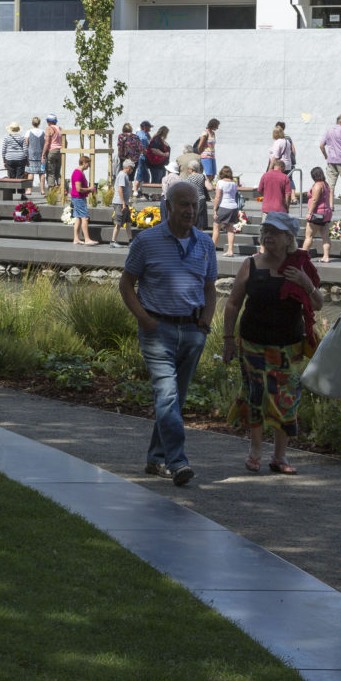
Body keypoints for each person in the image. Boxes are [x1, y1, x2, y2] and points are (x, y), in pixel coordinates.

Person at [119, 181, 218, 487]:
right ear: (169, 206)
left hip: (192, 330)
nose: (190, 211)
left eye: (195, 205)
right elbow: (126, 285)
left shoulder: (205, 244)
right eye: (184, 205)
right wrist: (145, 319)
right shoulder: (146, 241)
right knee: (167, 393)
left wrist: (205, 322)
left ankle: (155, 457)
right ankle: (177, 462)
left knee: (174, 399)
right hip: (157, 329)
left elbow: (210, 288)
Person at [222, 211, 321, 475]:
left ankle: (280, 456)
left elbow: (318, 304)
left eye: (274, 233)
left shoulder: (300, 266)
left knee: (286, 400)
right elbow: (233, 304)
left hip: (288, 348)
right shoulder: (251, 264)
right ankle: (255, 450)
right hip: (253, 344)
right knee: (256, 397)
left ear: (289, 238)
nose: (268, 237)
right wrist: (228, 339)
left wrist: (306, 284)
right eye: (265, 231)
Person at [302, 164, 334, 262]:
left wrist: (309, 213)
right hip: (326, 214)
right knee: (325, 236)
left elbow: (315, 200)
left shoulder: (317, 185)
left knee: (309, 236)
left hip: (317, 214)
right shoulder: (326, 184)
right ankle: (326, 256)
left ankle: (302, 257)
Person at [212, 167, 243, 254]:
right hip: (233, 207)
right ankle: (230, 250)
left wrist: (214, 209)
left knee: (216, 227)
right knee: (230, 229)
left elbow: (217, 197)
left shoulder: (220, 182)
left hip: (223, 206)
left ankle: (212, 247)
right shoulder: (234, 183)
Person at [69, 154, 96, 246]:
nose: (89, 166)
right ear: (84, 162)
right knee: (85, 217)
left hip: (77, 198)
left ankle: (76, 238)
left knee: (78, 218)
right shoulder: (78, 173)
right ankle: (87, 239)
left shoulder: (79, 172)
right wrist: (90, 189)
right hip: (78, 198)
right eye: (88, 163)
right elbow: (78, 189)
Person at [108, 158, 135, 247]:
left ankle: (130, 240)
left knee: (128, 221)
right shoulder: (122, 175)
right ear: (128, 167)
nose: (132, 170)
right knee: (119, 222)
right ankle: (113, 240)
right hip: (120, 203)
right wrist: (123, 203)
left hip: (123, 202)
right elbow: (120, 189)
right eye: (132, 168)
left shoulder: (125, 175)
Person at [1, 122, 27, 191]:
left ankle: (11, 192)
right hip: (20, 158)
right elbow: (25, 149)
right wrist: (27, 160)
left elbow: (3, 150)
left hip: (9, 158)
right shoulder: (21, 137)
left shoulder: (7, 138)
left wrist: (4, 161)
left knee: (11, 177)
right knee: (20, 177)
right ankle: (21, 193)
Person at [25, 116, 47, 197]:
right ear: (39, 123)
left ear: (32, 123)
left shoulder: (28, 132)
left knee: (31, 172)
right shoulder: (43, 132)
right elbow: (45, 142)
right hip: (42, 155)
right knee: (42, 172)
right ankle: (42, 190)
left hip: (31, 155)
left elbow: (26, 143)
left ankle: (29, 190)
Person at [44, 114, 65, 191]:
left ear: (49, 121)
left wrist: (43, 154)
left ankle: (51, 192)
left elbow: (47, 143)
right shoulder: (60, 129)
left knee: (51, 172)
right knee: (58, 172)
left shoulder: (49, 129)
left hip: (52, 151)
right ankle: (61, 190)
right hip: (60, 151)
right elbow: (65, 141)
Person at [197, 118, 220, 185]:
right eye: (217, 126)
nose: (217, 128)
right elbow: (200, 146)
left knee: (213, 175)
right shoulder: (205, 133)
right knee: (209, 175)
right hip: (206, 156)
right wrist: (202, 154)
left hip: (212, 156)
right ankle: (205, 189)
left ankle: (206, 187)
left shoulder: (213, 133)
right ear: (213, 125)